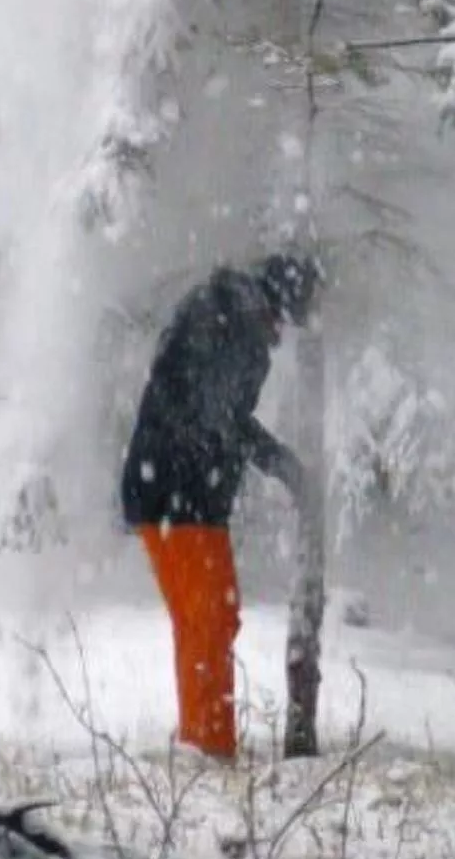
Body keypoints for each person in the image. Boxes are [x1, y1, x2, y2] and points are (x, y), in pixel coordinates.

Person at [121, 252, 321, 760]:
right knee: (207, 620)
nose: (281, 336)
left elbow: (213, 410)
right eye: (285, 323)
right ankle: (207, 747)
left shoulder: (223, 312)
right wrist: (282, 465)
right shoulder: (233, 327)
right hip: (177, 494)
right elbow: (219, 416)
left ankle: (209, 740)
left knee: (216, 617)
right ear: (278, 306)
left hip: (183, 494)